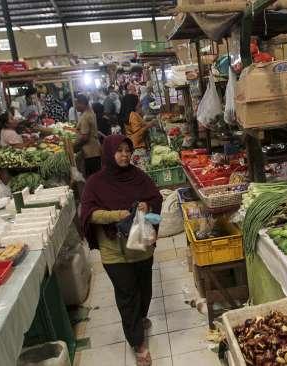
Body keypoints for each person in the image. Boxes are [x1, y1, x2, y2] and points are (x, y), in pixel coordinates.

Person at [80, 135, 162, 366]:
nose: (124, 155)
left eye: (127, 150)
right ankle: (138, 343)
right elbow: (88, 214)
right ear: (108, 153)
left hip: (141, 248)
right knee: (127, 296)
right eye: (119, 151)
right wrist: (117, 215)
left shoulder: (139, 177)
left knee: (144, 291)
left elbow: (155, 198)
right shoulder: (95, 183)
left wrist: (148, 206)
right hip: (114, 250)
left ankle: (139, 319)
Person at [121, 94, 154, 169]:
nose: (140, 102)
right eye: (138, 101)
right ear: (133, 103)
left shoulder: (129, 115)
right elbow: (137, 134)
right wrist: (148, 126)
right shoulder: (133, 115)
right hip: (138, 149)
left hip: (133, 148)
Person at [74, 95, 102, 178]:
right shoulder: (90, 112)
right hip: (94, 150)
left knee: (92, 177)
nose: (75, 106)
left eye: (77, 104)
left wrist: (74, 146)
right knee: (96, 175)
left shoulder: (85, 117)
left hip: (90, 152)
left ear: (82, 104)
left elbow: (85, 137)